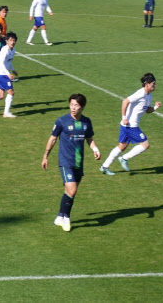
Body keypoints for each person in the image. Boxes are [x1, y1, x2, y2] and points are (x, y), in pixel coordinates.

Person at [41, 93, 101, 232]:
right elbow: (53, 139)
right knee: (72, 190)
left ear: (82, 107)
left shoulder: (86, 122)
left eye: (76, 105)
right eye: (71, 104)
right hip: (65, 161)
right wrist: (45, 156)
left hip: (79, 162)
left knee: (69, 191)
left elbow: (89, 139)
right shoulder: (62, 121)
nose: (73, 108)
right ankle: (66, 218)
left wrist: (95, 149)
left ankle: (59, 216)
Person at [100, 73, 162, 175]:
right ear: (147, 84)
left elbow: (147, 110)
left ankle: (104, 166)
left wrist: (155, 107)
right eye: (153, 83)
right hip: (130, 125)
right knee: (145, 144)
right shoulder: (140, 93)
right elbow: (125, 101)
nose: (155, 85)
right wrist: (124, 118)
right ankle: (124, 158)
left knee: (122, 146)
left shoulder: (149, 95)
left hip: (127, 126)